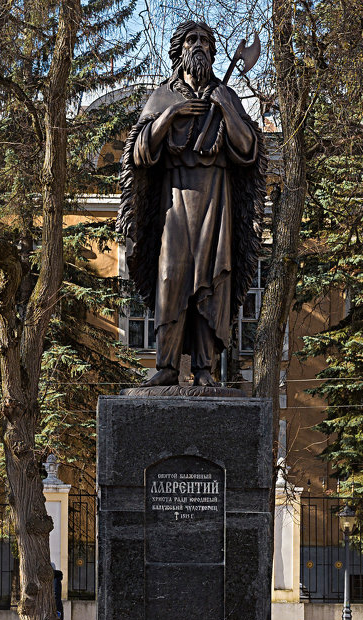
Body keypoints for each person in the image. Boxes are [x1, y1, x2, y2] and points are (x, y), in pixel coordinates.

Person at [117, 19, 265, 388]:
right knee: (172, 277)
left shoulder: (225, 94)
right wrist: (171, 116)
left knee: (211, 281)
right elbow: (139, 153)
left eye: (204, 40)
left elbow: (248, 149)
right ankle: (166, 366)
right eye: (191, 40)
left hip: (217, 201)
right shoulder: (163, 96)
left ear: (213, 53)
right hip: (173, 202)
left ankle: (204, 369)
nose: (198, 45)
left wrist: (225, 109)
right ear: (179, 50)